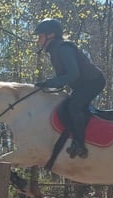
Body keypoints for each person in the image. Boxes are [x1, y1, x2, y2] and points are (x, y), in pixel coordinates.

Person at [33, 18, 106, 159]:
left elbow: (73, 74)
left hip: (94, 82)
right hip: (82, 85)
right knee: (65, 104)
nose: (38, 40)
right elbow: (63, 78)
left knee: (74, 106)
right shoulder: (55, 50)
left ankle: (80, 145)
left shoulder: (63, 48)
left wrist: (49, 82)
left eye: (40, 36)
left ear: (51, 35)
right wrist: (46, 85)